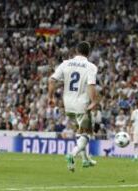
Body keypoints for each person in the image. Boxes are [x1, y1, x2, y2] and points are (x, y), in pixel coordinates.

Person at [48, 41, 98, 172]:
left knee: (79, 132)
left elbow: (52, 80)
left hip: (67, 104)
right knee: (86, 134)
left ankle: (86, 160)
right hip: (82, 103)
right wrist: (93, 101)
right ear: (89, 52)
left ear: (76, 50)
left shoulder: (65, 63)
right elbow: (91, 85)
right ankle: (72, 154)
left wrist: (50, 97)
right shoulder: (90, 66)